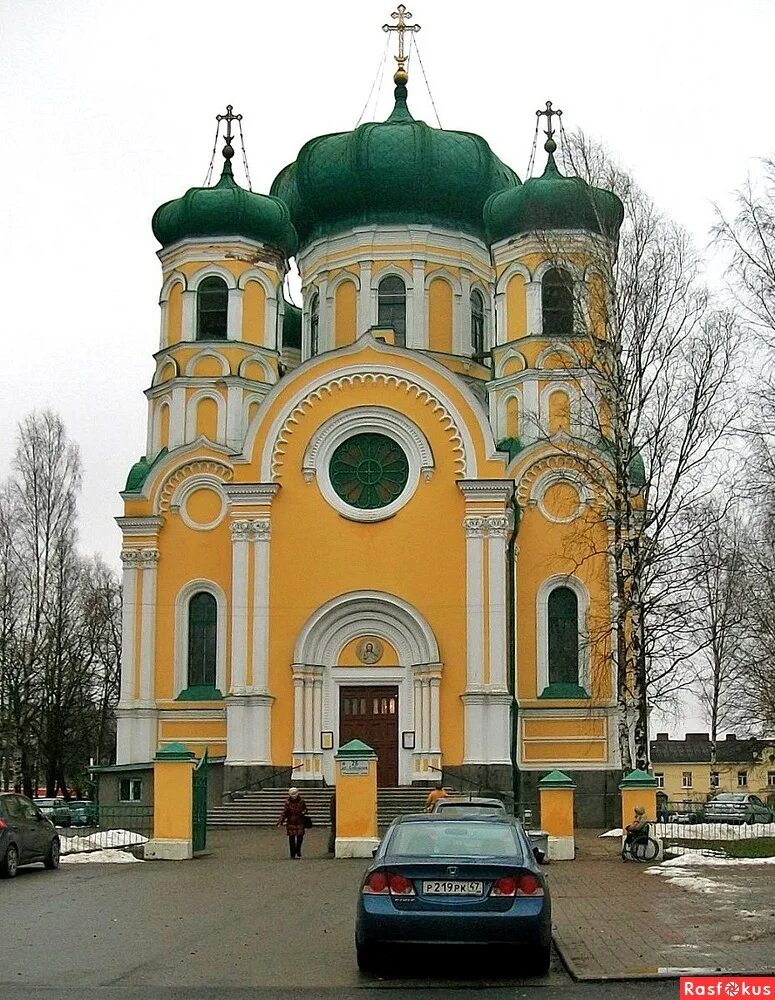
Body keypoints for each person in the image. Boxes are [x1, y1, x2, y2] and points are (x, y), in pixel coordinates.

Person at [278, 787, 309, 859]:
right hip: (291, 822)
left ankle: (298, 850)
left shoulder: (302, 801)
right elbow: (284, 812)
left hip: (299, 821)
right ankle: (292, 853)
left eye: (295, 794)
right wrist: (280, 821)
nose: (294, 795)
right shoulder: (288, 802)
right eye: (292, 794)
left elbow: (305, 809)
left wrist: (303, 812)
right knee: (291, 839)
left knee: (300, 838)